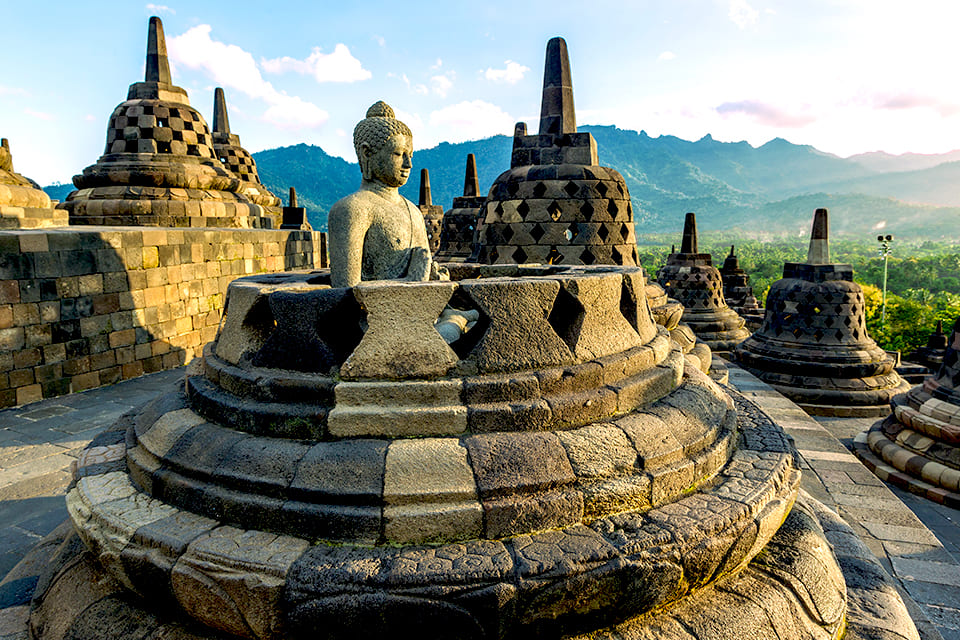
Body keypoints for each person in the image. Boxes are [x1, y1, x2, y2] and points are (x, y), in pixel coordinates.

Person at [328, 101, 433, 288]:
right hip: (375, 315)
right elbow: (346, 291)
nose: (408, 164)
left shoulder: (414, 212)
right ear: (367, 153)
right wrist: (411, 281)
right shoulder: (352, 209)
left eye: (410, 155)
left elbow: (426, 273)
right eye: (399, 154)